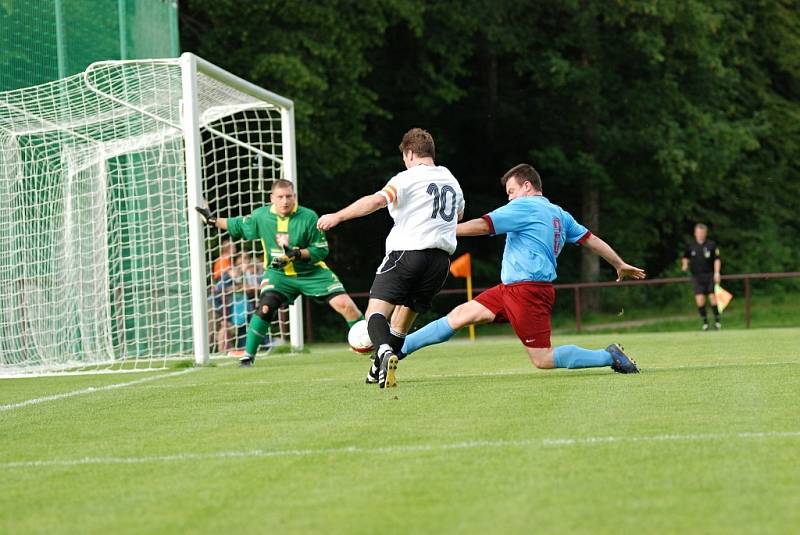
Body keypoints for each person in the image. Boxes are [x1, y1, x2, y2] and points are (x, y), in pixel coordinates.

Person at [397, 163, 646, 378]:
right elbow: (591, 240)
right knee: (461, 315)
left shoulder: (525, 207)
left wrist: (439, 231)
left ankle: (608, 356)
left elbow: (483, 226)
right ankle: (397, 346)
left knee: (543, 359)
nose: (509, 199)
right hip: (511, 290)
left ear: (527, 186)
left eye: (511, 192)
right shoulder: (559, 214)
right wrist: (618, 263)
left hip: (527, 292)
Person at [318, 128, 465, 388]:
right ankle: (378, 368)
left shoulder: (406, 178)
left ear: (409, 153)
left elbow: (376, 201)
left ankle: (384, 351)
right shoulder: (451, 179)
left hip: (407, 254)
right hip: (440, 262)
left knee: (376, 311)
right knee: (403, 320)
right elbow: (458, 216)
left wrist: (338, 216)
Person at [196, 179, 365, 367]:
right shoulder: (261, 216)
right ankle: (247, 356)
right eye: (280, 197)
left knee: (345, 304)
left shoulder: (309, 217)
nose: (285, 201)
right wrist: (212, 220)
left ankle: (369, 344)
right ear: (272, 198)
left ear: (294, 197)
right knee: (265, 307)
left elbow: (321, 250)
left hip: (311, 272)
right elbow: (238, 225)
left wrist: (298, 253)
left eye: (289, 196)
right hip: (279, 275)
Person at [681, 223, 722, 330]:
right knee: (700, 300)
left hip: (709, 276)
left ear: (705, 233)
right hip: (697, 277)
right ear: (695, 233)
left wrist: (717, 272)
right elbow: (685, 257)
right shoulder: (691, 246)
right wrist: (684, 264)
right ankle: (705, 323)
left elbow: (717, 259)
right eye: (698, 232)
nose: (700, 235)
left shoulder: (711, 245)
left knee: (713, 298)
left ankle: (717, 322)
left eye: (702, 233)